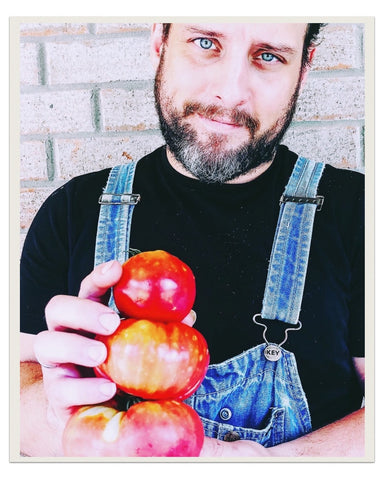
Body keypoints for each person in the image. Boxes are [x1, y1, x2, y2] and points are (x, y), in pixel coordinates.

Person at [19, 22, 365, 457]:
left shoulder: (361, 212)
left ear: (303, 68)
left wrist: (275, 463)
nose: (231, 90)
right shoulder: (72, 211)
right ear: (160, 43)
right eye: (205, 43)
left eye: (269, 55)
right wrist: (53, 417)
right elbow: (17, 390)